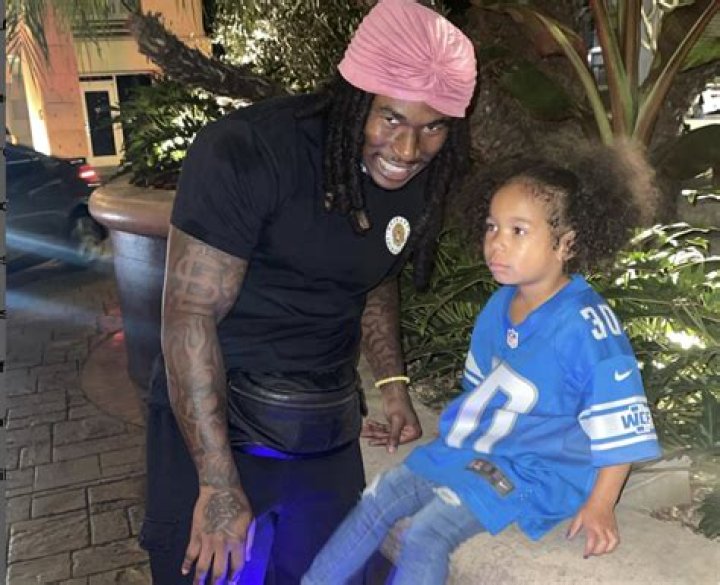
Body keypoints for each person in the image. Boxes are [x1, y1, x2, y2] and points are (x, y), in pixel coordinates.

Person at [139, 1, 477, 584]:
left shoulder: (420, 174)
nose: (407, 150)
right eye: (390, 118)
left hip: (324, 426)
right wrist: (218, 484)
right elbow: (190, 312)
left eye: (433, 127)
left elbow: (376, 275)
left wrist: (393, 385)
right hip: (221, 423)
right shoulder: (250, 150)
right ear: (353, 98)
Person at [301, 144, 663, 585]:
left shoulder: (586, 325)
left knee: (428, 534)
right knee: (378, 497)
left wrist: (601, 505)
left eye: (518, 230)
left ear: (567, 242)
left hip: (537, 470)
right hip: (477, 450)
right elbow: (479, 394)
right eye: (492, 227)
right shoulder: (500, 305)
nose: (497, 243)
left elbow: (618, 424)